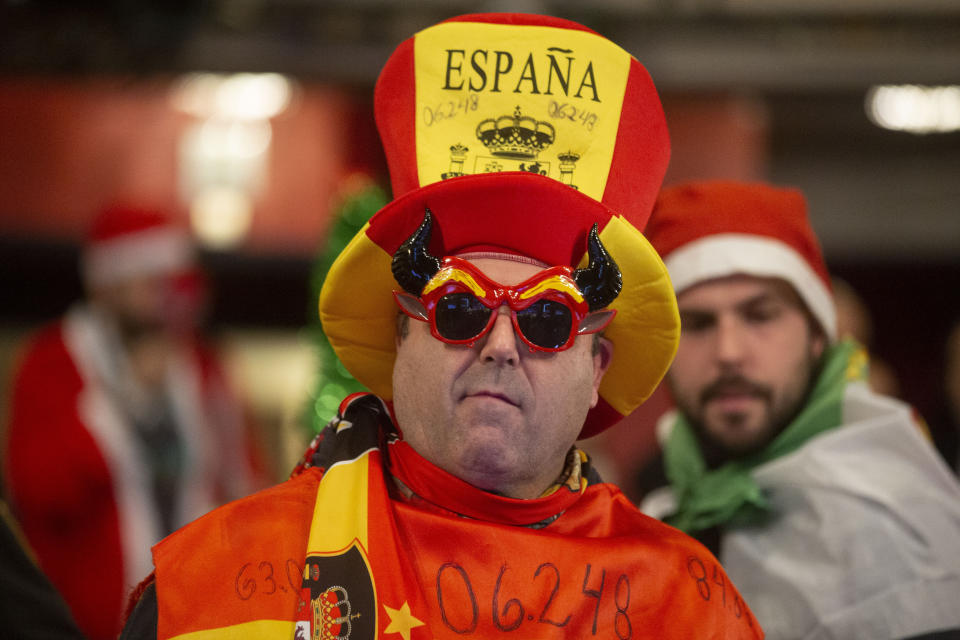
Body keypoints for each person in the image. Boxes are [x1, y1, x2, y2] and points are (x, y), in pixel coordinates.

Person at [120, 14, 763, 640]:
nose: (502, 346)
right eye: (459, 309)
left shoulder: (688, 607)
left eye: (547, 318)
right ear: (401, 337)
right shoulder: (209, 590)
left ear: (597, 368)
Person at [638, 180, 960, 640]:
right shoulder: (662, 504)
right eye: (697, 323)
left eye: (760, 315)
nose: (729, 352)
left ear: (817, 337)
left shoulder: (899, 529)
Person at [4, 204, 265, 640]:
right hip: (82, 626)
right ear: (105, 285)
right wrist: (123, 404)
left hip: (192, 619)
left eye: (169, 276)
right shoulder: (53, 362)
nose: (162, 290)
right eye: (146, 276)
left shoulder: (200, 364)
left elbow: (244, 483)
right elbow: (36, 489)